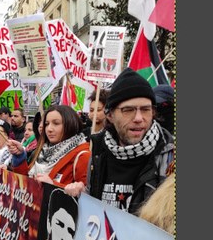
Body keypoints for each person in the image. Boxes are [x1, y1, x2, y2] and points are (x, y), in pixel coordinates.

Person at [65, 68, 174, 215]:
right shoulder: (99, 151)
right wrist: (82, 196)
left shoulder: (169, 156)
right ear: (110, 115)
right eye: (128, 110)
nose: (138, 118)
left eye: (146, 109)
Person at [10, 105, 90, 188]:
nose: (49, 129)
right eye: (47, 124)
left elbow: (85, 197)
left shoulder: (83, 155)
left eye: (56, 123)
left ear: (70, 124)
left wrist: (52, 185)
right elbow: (25, 184)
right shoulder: (42, 150)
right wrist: (19, 156)